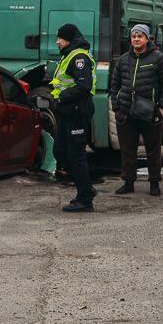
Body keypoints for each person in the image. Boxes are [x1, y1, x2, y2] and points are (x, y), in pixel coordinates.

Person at [109, 24, 163, 196]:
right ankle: (128, 182)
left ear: (147, 38)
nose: (136, 39)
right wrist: (117, 108)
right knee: (127, 150)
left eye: (140, 36)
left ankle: (154, 183)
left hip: (150, 112)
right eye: (133, 36)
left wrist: (161, 109)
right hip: (126, 112)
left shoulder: (159, 59)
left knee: (153, 150)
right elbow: (114, 85)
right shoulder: (123, 60)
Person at [51, 23, 97, 213]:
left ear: (68, 39)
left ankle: (85, 199)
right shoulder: (68, 55)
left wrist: (62, 97)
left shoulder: (78, 57)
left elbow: (84, 86)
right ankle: (86, 187)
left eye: (60, 38)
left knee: (76, 155)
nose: (57, 42)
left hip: (77, 114)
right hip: (67, 114)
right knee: (60, 152)